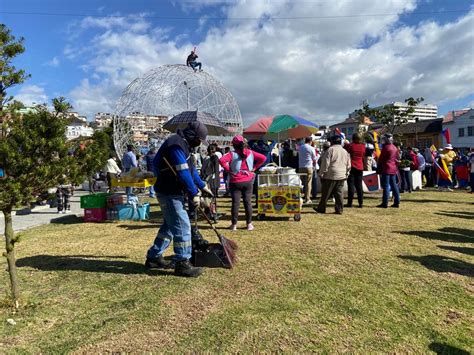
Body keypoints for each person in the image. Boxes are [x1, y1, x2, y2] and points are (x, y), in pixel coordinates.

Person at [145, 121, 213, 277]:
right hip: (169, 191)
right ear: (193, 136)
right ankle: (182, 262)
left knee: (169, 226)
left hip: (173, 191)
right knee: (182, 225)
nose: (199, 144)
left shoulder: (185, 146)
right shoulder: (175, 144)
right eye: (199, 140)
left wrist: (202, 186)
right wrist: (194, 193)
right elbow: (182, 173)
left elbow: (191, 171)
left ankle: (154, 257)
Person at [219, 135, 266, 231]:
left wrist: (229, 170)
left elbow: (221, 160)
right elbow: (263, 158)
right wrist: (254, 168)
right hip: (248, 180)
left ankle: (234, 225)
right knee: (247, 202)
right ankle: (249, 224)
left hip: (235, 181)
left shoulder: (232, 154)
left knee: (235, 203)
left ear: (233, 145)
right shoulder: (250, 152)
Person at [313, 134, 351, 214]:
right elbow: (348, 164)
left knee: (326, 193)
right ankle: (339, 209)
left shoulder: (330, 150)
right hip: (342, 175)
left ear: (332, 142)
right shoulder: (345, 151)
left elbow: (325, 164)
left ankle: (321, 208)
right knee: (339, 193)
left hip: (331, 174)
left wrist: (321, 173)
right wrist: (347, 172)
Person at [376, 133, 400, 208]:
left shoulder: (386, 147)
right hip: (393, 169)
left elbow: (381, 159)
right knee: (394, 186)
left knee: (386, 186)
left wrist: (378, 168)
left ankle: (385, 203)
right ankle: (397, 202)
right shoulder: (394, 147)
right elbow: (397, 159)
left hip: (386, 168)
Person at [345, 133, 366, 208]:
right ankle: (361, 203)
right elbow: (363, 156)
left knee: (351, 185)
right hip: (360, 166)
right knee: (359, 186)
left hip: (352, 166)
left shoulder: (351, 146)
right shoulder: (363, 146)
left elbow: (346, 150)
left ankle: (349, 203)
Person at [298, 137, 317, 204]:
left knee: (301, 183)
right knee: (308, 184)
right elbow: (314, 158)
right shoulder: (311, 148)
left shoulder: (300, 147)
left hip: (301, 167)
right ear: (310, 141)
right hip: (308, 167)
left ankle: (299, 197)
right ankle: (307, 198)